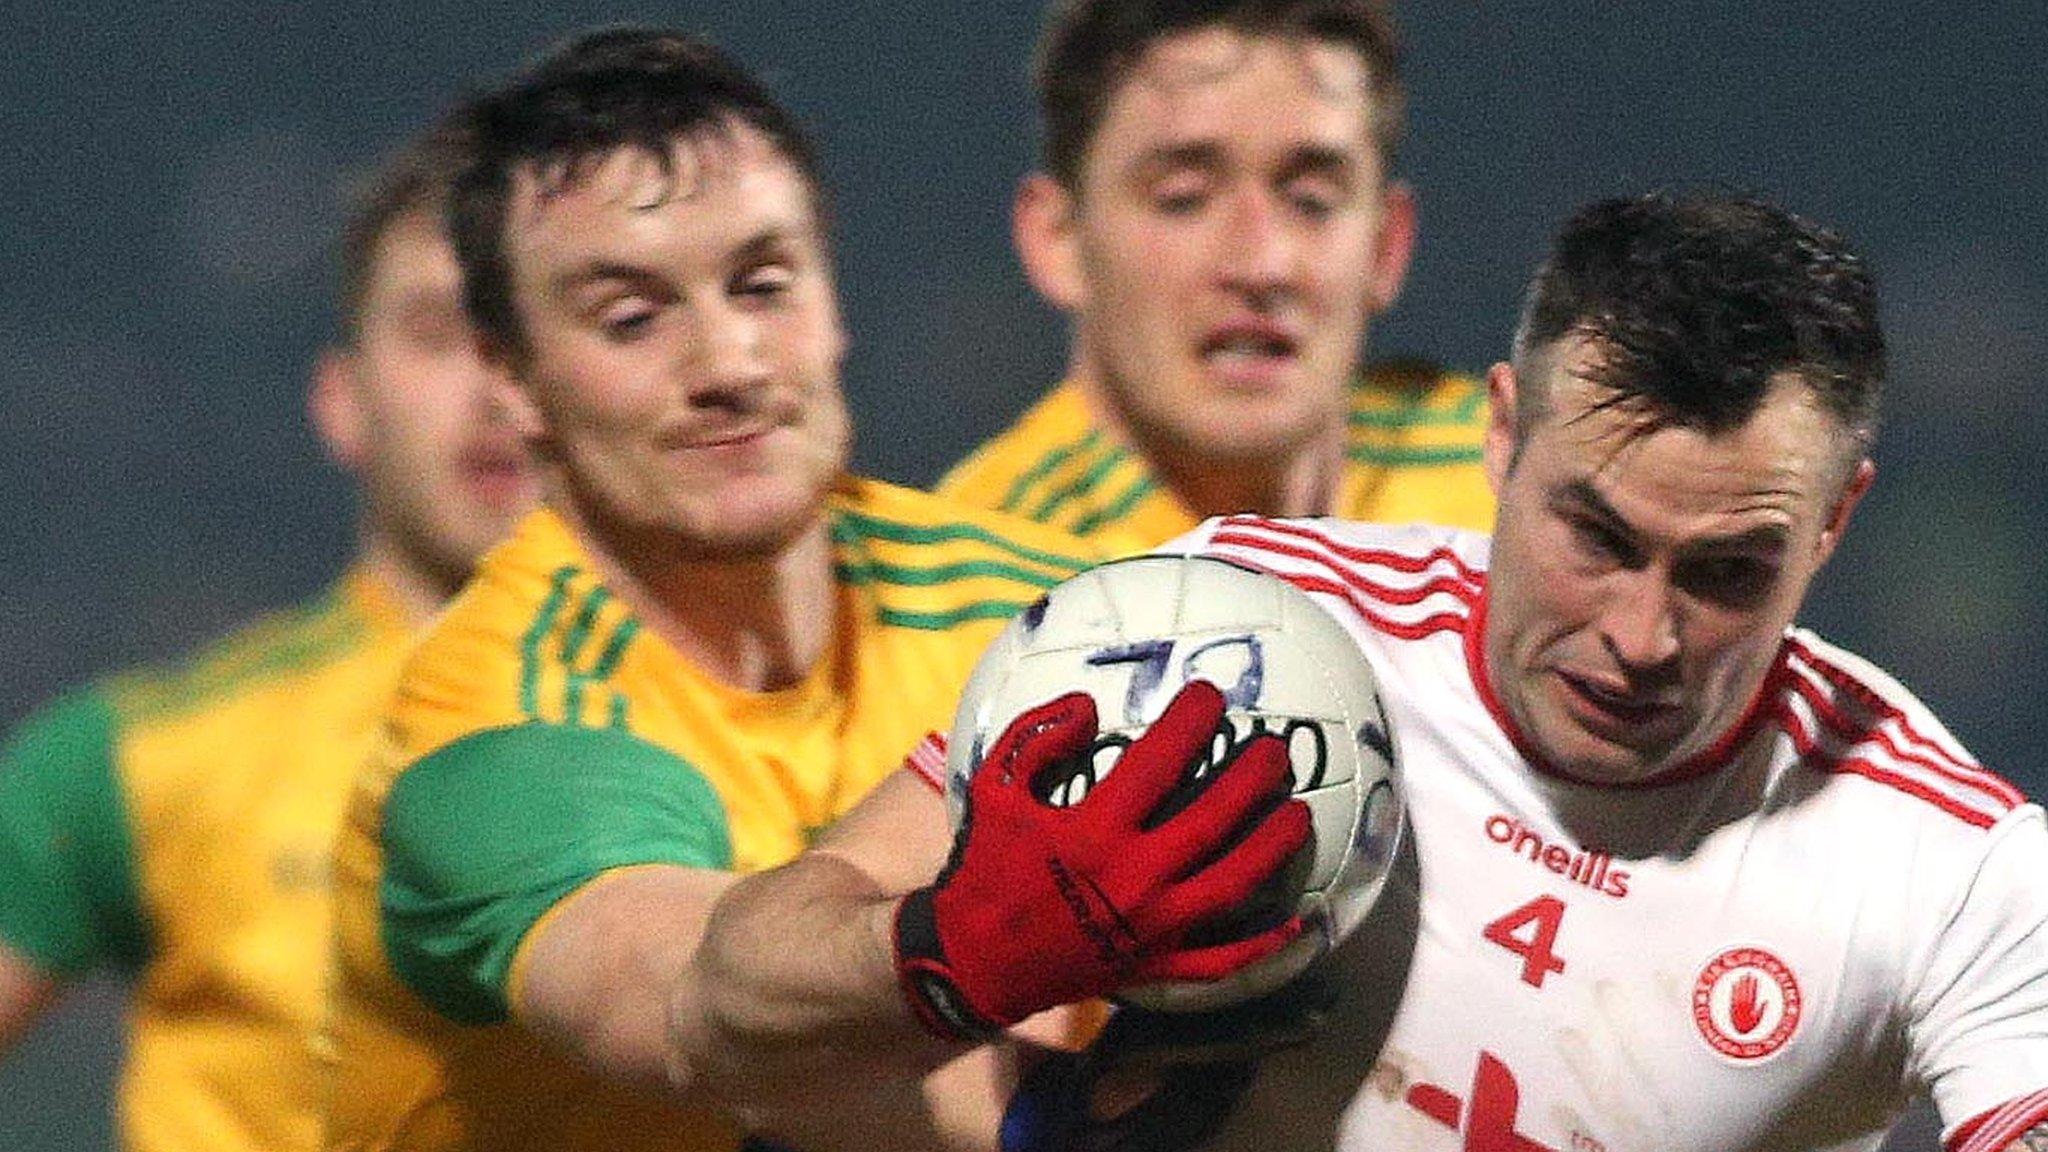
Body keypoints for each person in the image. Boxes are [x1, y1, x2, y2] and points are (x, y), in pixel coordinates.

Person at [683, 190, 2048, 1152]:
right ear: (1501, 440)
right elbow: (735, 993)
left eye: (1728, 572)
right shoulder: (1243, 628)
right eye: (1598, 535)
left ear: (1837, 521)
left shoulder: (1957, 865)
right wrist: (943, 955)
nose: (1644, 636)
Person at [318, 27, 1296, 1152]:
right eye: (631, 317)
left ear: (832, 305)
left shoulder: (1056, 619)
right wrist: (967, 963)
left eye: (763, 283)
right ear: (513, 379)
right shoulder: (493, 730)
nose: (729, 363)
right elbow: (696, 1012)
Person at [0, 120, 539, 1152]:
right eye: (437, 334)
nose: (493, 391)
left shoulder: (777, 722)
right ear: (342, 402)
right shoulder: (134, 763)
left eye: (528, 334)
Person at [936, 0, 1494, 547]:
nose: (1261, 264)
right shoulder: (980, 589)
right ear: (1059, 241)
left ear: (1386, 247)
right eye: (1183, 200)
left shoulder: (1519, 493)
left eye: (1312, 201)